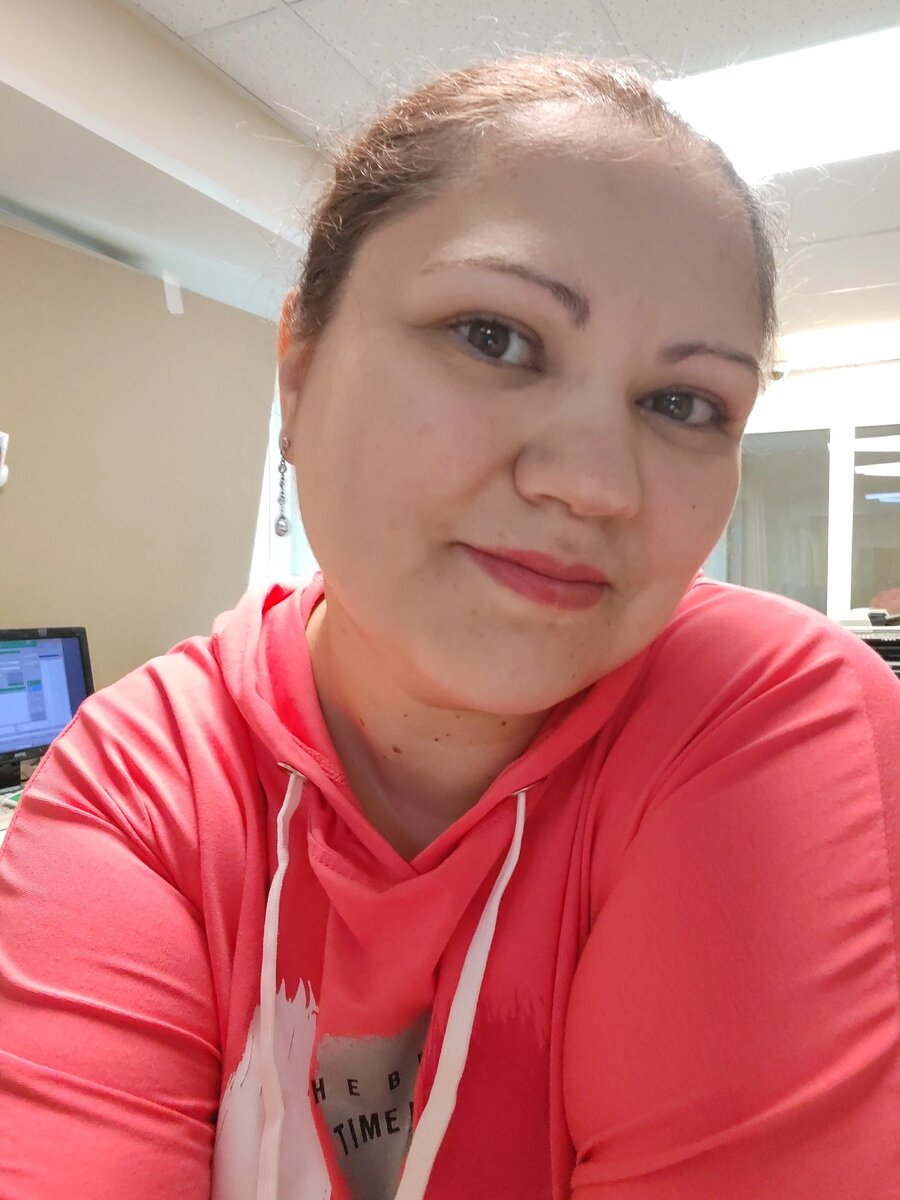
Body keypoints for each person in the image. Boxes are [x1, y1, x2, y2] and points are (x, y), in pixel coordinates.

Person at [1, 54, 898, 1200]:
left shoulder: (766, 713)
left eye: (683, 404)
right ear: (299, 367)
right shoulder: (145, 783)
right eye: (493, 335)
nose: (593, 483)